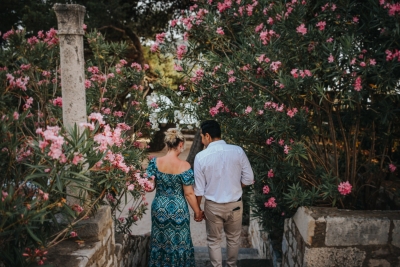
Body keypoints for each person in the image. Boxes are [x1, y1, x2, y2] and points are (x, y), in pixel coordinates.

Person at [193, 120, 254, 267]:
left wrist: (197, 211)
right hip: (235, 205)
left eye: (202, 136)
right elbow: (249, 179)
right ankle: (232, 265)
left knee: (214, 240)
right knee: (233, 239)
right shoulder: (238, 151)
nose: (201, 139)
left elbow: (199, 189)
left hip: (213, 206)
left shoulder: (201, 157)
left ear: (207, 136)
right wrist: (234, 186)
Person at [146, 128, 204, 267]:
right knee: (179, 244)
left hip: (159, 207)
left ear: (167, 144)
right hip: (178, 210)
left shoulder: (154, 162)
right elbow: (189, 194)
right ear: (180, 144)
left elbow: (149, 187)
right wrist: (197, 212)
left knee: (160, 243)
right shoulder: (184, 166)